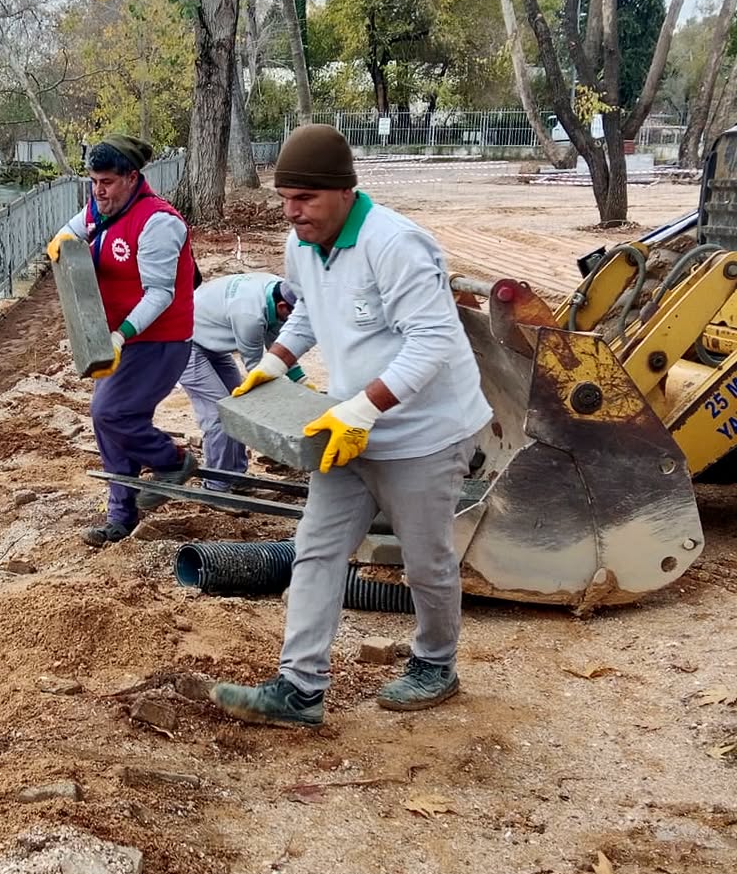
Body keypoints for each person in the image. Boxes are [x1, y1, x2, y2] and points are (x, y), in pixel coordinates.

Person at [210, 124, 492, 721]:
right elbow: (309, 309)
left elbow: (435, 341)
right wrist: (274, 362)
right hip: (347, 430)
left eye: (305, 199)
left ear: (344, 191)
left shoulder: (396, 245)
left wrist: (363, 408)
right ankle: (299, 689)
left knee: (424, 561)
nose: (293, 212)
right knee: (316, 548)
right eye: (285, 199)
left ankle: (435, 663)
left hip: (426, 432)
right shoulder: (302, 244)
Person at [47, 134, 196, 547]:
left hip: (160, 340)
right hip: (116, 339)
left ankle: (174, 461)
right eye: (93, 181)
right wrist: (62, 243)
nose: (98, 191)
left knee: (111, 412)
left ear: (132, 178)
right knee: (108, 418)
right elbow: (70, 235)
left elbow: (160, 294)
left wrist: (120, 335)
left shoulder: (158, 223)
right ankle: (121, 516)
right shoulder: (100, 208)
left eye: (107, 182)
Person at [179, 271, 305, 485]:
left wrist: (302, 382)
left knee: (237, 408)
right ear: (284, 307)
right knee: (219, 413)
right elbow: (259, 370)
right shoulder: (250, 316)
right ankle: (217, 486)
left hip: (210, 338)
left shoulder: (275, 286)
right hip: (185, 343)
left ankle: (236, 478)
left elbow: (279, 344)